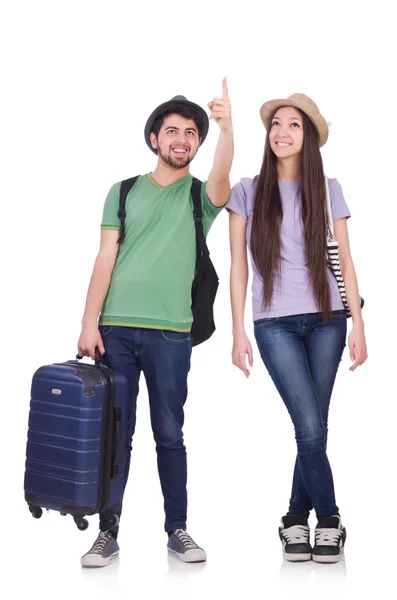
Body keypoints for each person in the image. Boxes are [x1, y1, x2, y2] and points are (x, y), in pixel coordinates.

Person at [77, 79, 233, 567]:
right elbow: (105, 258)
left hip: (171, 334)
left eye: (192, 133)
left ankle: (177, 529)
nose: (182, 139)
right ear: (155, 139)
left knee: (169, 432)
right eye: (172, 131)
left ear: (197, 144)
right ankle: (108, 530)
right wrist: (88, 323)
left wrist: (227, 128)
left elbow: (224, 175)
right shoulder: (121, 191)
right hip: (115, 330)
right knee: (115, 434)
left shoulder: (199, 198)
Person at [227, 93, 367, 563]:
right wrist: (237, 331)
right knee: (309, 426)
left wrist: (359, 324)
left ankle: (293, 520)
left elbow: (344, 259)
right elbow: (238, 266)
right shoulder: (247, 190)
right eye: (276, 125)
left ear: (309, 139)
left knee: (314, 428)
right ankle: (329, 519)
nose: (282, 132)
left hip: (329, 319)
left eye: (294, 125)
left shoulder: (328, 188)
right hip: (273, 324)